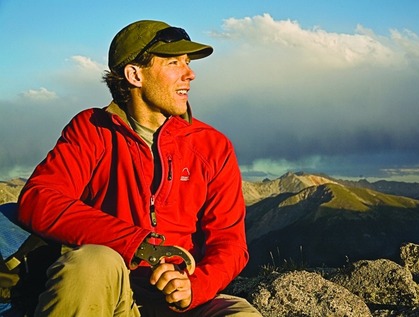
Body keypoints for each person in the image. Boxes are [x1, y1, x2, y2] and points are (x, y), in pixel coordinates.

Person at [17, 20, 262, 316]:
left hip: (186, 303)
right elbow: (39, 199)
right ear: (135, 75)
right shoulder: (92, 129)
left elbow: (230, 243)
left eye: (188, 62)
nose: (190, 74)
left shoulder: (212, 145)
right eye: (174, 63)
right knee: (93, 262)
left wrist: (195, 286)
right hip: (112, 293)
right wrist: (133, 243)